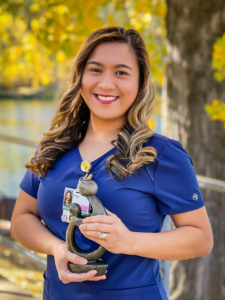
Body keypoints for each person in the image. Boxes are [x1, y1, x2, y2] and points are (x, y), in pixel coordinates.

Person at [10, 26, 213, 300]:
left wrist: (129, 242)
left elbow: (201, 238)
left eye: (121, 72)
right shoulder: (53, 146)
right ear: (80, 76)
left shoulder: (162, 155)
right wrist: (57, 248)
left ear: (140, 82)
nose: (106, 84)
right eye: (95, 70)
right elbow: (21, 219)